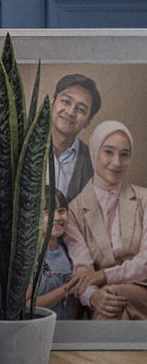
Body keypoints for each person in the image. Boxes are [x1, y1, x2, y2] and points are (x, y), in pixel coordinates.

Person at [61, 121, 147, 320]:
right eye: (108, 152)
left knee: (114, 300)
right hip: (105, 296)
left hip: (143, 288)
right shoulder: (74, 211)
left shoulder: (144, 200)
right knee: (112, 305)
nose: (116, 162)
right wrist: (92, 297)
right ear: (94, 153)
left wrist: (104, 276)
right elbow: (81, 270)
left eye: (124, 154)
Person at [49, 74, 101, 201]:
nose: (71, 112)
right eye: (66, 102)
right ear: (52, 102)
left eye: (81, 109)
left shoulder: (95, 163)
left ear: (88, 121)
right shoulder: (23, 149)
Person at [31, 186, 78, 320]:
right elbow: (27, 305)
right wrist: (66, 289)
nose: (57, 217)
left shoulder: (71, 251)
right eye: (48, 212)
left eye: (61, 211)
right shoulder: (30, 258)